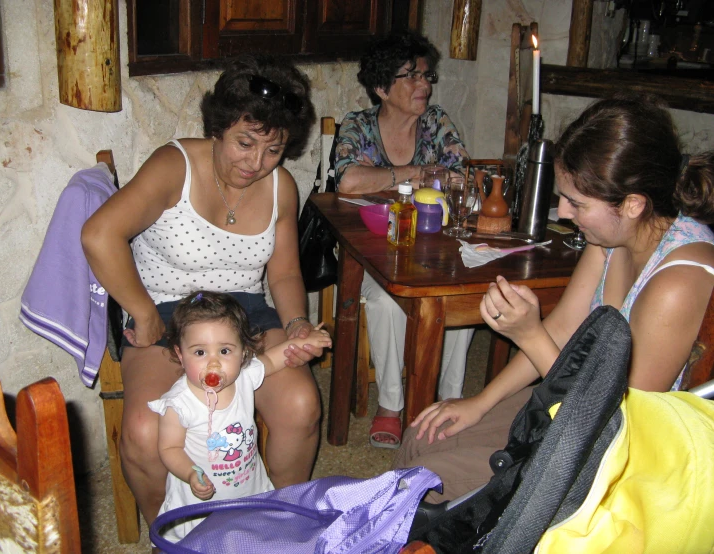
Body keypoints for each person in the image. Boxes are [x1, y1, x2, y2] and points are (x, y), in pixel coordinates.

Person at [393, 94, 714, 502]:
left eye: (577, 203)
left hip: (617, 457)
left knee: (430, 483)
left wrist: (527, 335)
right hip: (574, 404)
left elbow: (619, 426)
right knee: (424, 436)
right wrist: (478, 402)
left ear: (633, 204)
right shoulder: (612, 237)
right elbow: (562, 330)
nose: (562, 212)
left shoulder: (680, 279)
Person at [81, 54, 320, 525]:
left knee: (300, 403)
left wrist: (295, 324)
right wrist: (143, 311)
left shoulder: (282, 186)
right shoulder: (175, 165)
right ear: (218, 128)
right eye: (244, 143)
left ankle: (283, 525)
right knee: (146, 432)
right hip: (170, 316)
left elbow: (286, 274)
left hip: (245, 315)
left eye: (273, 150)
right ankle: (169, 533)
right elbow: (98, 234)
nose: (257, 163)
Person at [334, 29, 475, 449]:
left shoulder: (437, 122)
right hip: (375, 248)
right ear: (381, 87)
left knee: (459, 287)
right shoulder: (357, 126)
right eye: (411, 76)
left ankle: (450, 399)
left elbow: (464, 180)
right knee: (383, 300)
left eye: (427, 77)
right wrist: (417, 173)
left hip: (432, 246)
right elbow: (349, 180)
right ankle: (392, 406)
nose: (423, 86)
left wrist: (420, 179)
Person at [148, 291, 331, 543]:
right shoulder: (179, 403)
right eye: (200, 353)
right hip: (199, 506)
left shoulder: (244, 376)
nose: (214, 363)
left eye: (224, 351)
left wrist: (304, 342)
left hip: (249, 490)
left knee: (248, 537)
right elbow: (169, 448)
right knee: (200, 544)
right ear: (180, 354)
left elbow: (275, 358)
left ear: (244, 353)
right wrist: (191, 474)